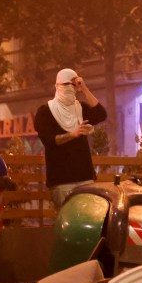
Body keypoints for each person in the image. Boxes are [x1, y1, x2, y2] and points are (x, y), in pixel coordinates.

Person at [34, 68, 107, 209]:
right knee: (67, 222)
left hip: (85, 177)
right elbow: (49, 141)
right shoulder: (45, 111)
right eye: (65, 85)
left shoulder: (80, 108)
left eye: (73, 84)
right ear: (57, 86)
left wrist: (84, 89)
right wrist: (73, 134)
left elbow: (101, 114)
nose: (69, 88)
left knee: (87, 220)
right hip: (61, 181)